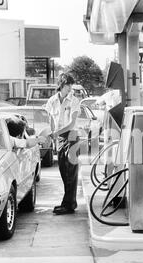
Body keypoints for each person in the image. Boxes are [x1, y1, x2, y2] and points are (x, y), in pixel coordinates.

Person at [44, 73, 81, 215]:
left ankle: (68, 204)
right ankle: (70, 202)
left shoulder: (74, 101)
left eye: (71, 85)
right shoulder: (52, 101)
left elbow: (72, 123)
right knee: (63, 171)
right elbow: (51, 120)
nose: (70, 88)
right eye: (67, 85)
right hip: (59, 137)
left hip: (71, 136)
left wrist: (56, 133)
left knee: (70, 171)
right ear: (61, 85)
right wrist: (54, 135)